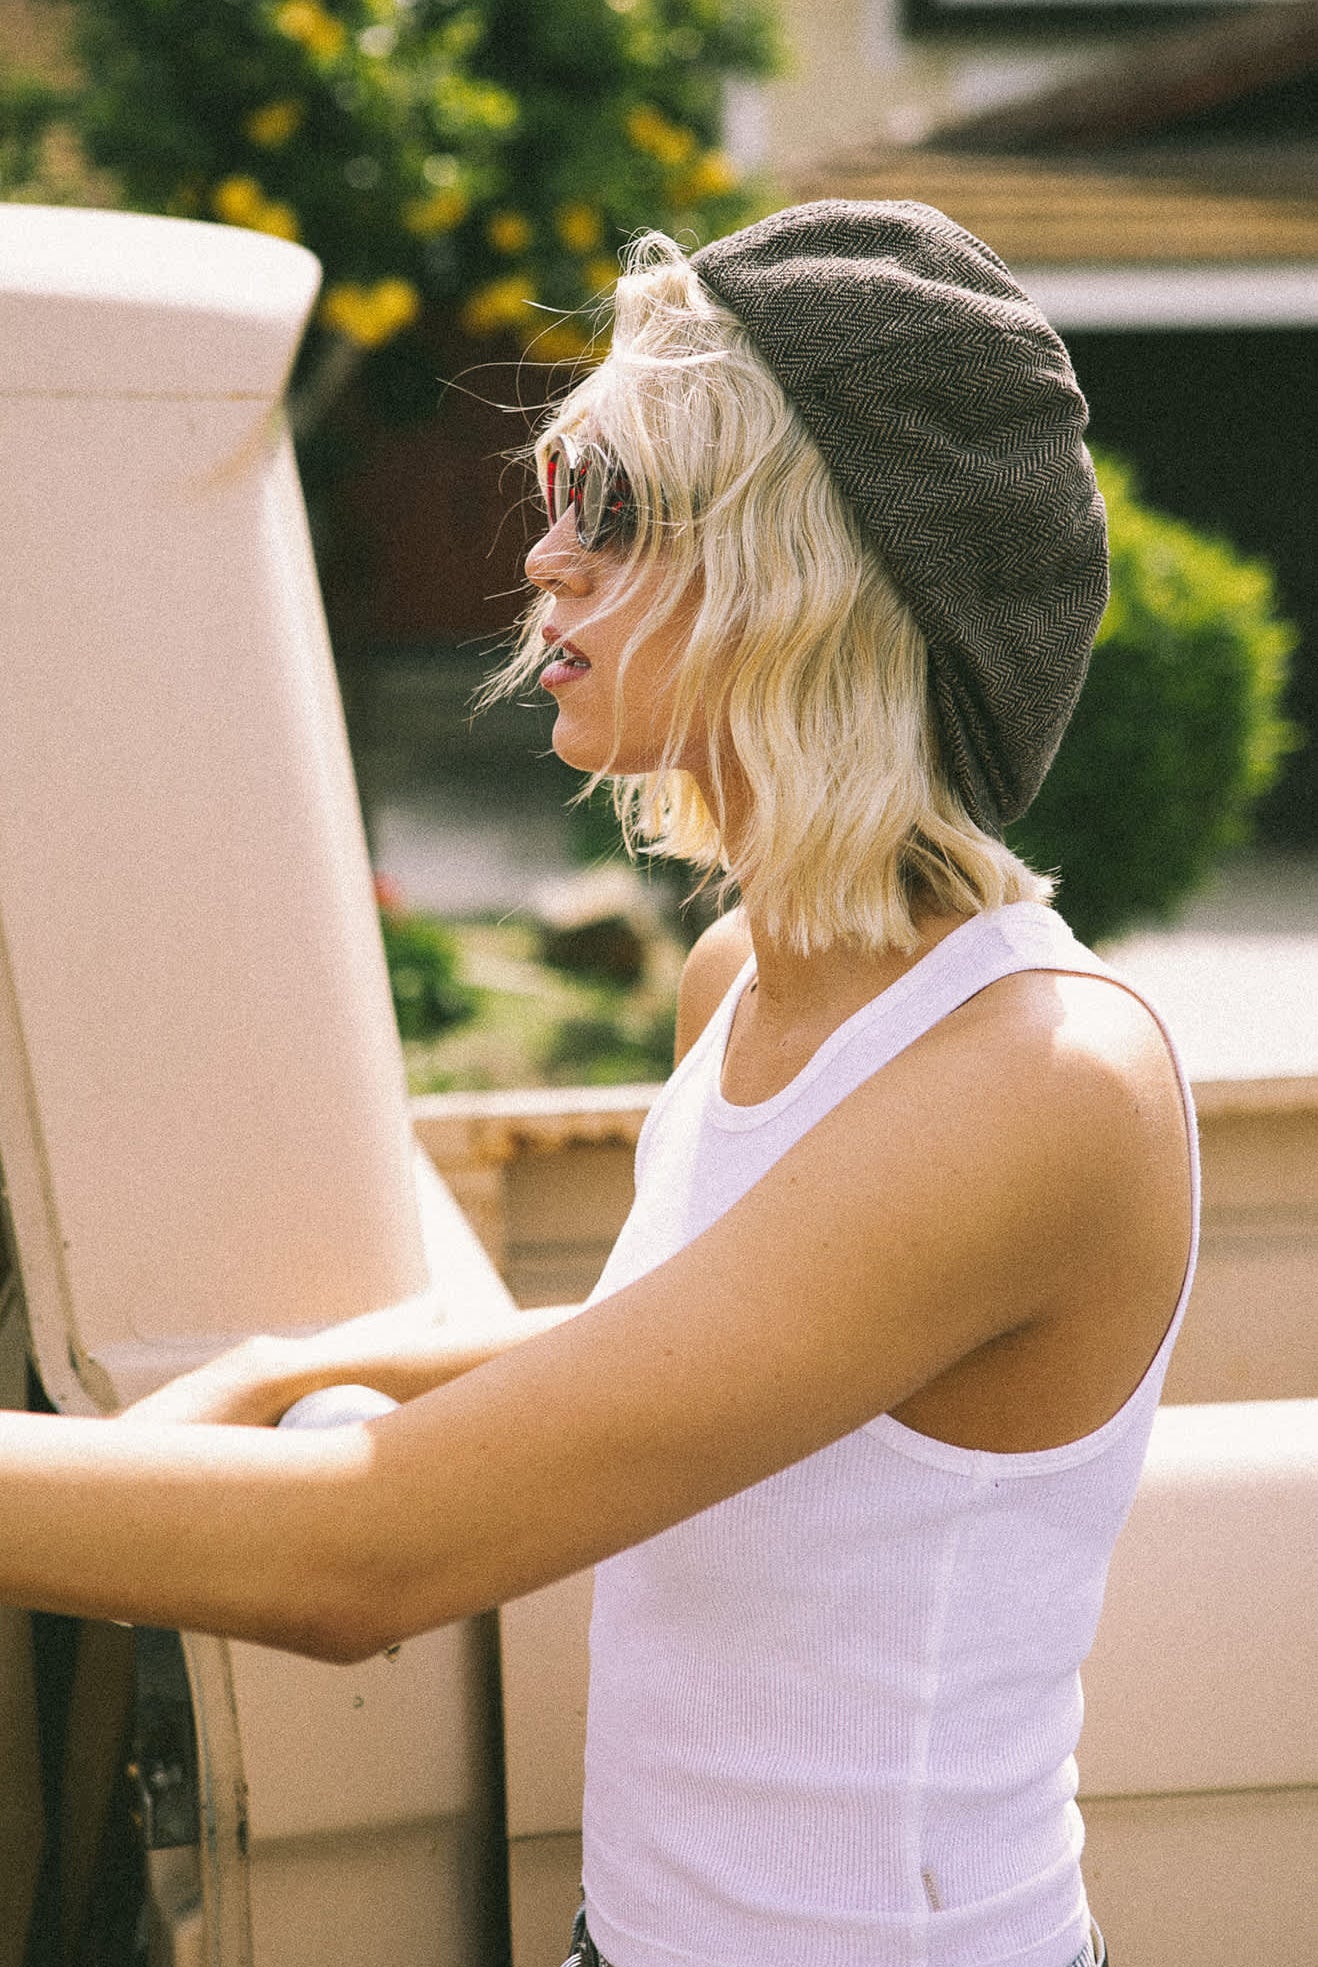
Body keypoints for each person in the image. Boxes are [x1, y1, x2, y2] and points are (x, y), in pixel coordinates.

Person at [0, 202, 1196, 1967]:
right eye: (557, 486)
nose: (545, 557)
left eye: (615, 506)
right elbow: (681, 1341)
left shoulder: (1031, 1084)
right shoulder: (748, 975)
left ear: (815, 569)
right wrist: (282, 1366)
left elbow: (371, 1560)